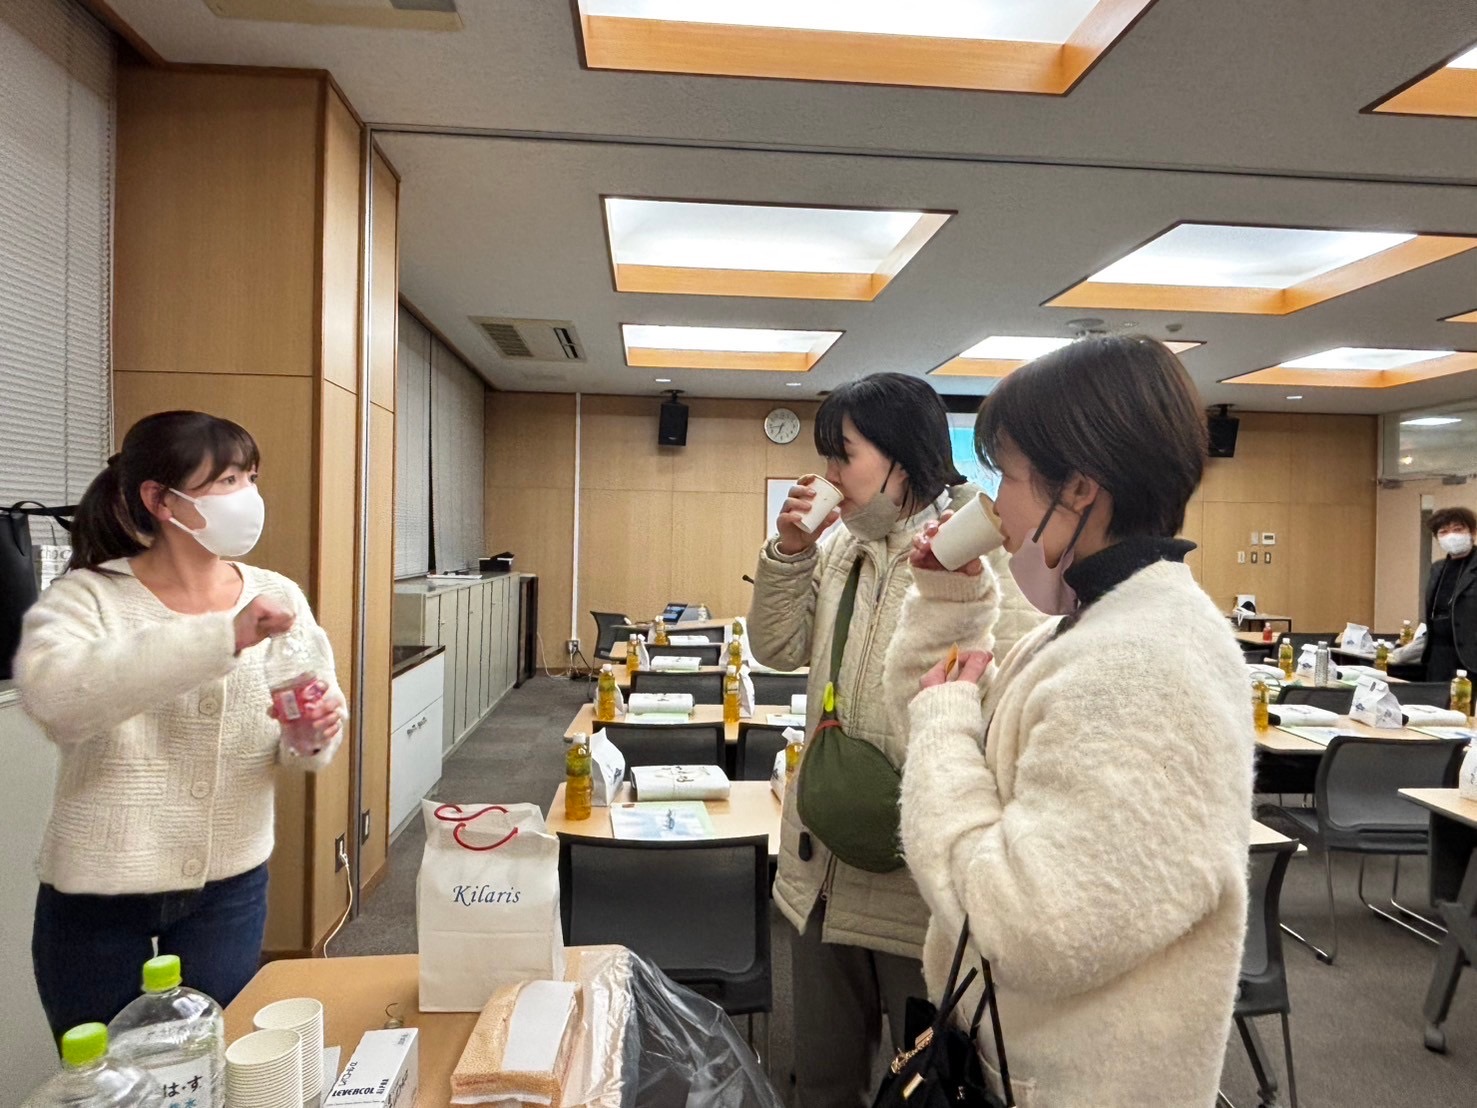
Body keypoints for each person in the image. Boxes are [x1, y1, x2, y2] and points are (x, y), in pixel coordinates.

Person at [884, 336, 1253, 1107]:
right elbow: (931, 733)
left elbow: (1027, 927)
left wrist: (944, 720)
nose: (998, 509)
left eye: (1008, 477)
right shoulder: (1093, 628)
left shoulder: (1142, 662)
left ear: (1079, 487)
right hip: (1020, 1057)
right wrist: (948, 604)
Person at [746, 373, 1042, 1106]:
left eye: (842, 456)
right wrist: (790, 551)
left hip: (919, 890)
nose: (828, 476)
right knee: (822, 1080)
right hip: (820, 869)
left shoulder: (983, 560)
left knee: (925, 1082)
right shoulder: (841, 550)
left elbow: (1010, 713)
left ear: (902, 460)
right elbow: (777, 648)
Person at [15, 410, 346, 1039]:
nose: (247, 496)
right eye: (226, 481)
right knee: (107, 1071)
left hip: (229, 884)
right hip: (99, 891)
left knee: (215, 1060)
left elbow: (302, 735)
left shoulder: (277, 594)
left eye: (250, 478)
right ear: (161, 500)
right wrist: (223, 637)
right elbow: (57, 702)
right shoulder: (88, 596)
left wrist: (313, 732)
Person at [1421, 506, 1476, 682]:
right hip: (1438, 655)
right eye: (1443, 532)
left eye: (1458, 529)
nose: (1451, 535)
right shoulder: (1437, 568)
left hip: (1472, 656)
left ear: (1472, 532)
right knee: (1436, 698)